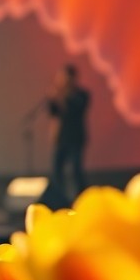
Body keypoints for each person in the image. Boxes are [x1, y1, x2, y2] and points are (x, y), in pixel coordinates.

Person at [47, 64, 91, 199]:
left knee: (75, 171)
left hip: (76, 138)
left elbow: (75, 111)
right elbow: (54, 113)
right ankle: (59, 199)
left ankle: (81, 199)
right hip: (61, 138)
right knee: (57, 171)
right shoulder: (59, 95)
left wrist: (64, 96)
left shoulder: (82, 95)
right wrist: (53, 98)